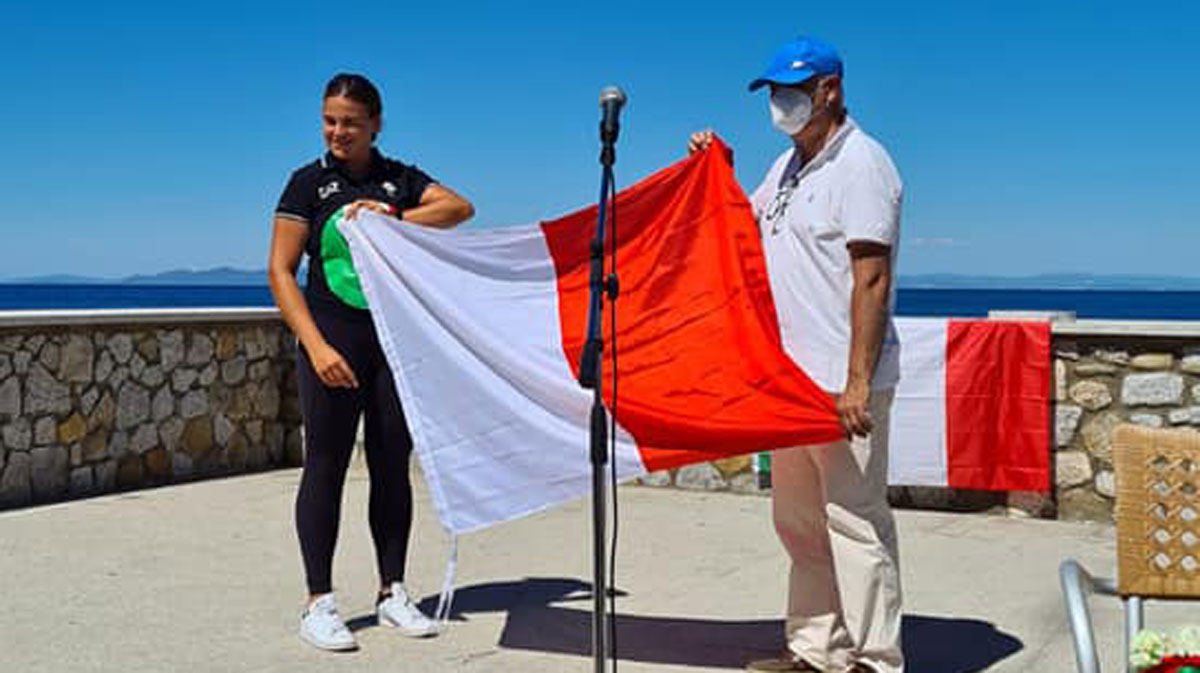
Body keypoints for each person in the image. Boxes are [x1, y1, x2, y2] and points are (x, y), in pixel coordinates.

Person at [691, 36, 904, 673]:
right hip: (790, 382)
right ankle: (818, 650)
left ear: (830, 89)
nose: (781, 103)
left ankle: (876, 658)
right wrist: (713, 169)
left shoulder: (863, 163)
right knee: (800, 524)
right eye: (775, 92)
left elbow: (871, 276)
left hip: (843, 382)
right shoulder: (784, 170)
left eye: (792, 90)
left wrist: (857, 381)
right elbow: (740, 225)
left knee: (854, 521)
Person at [267, 73, 474, 651]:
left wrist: (393, 218)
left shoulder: (398, 180)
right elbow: (281, 272)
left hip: (392, 345)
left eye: (351, 122)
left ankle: (393, 592)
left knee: (391, 464)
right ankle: (319, 602)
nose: (338, 132)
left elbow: (460, 208)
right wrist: (317, 345)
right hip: (332, 337)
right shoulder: (308, 183)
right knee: (325, 468)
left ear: (376, 124)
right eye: (330, 120)